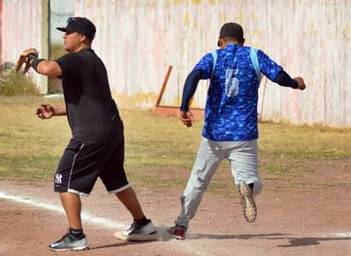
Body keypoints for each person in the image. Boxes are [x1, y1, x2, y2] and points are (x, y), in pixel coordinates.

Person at [22, 17, 157, 251]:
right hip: (111, 130)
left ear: (82, 37)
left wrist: (31, 58)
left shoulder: (79, 59)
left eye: (69, 32)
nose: (64, 36)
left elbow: (48, 69)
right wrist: (55, 110)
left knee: (64, 180)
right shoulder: (92, 62)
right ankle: (142, 224)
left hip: (92, 135)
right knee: (116, 180)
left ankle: (76, 236)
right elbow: (89, 102)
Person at [167, 22, 306, 240]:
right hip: (244, 134)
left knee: (198, 181)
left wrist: (184, 107)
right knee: (252, 180)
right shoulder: (254, 55)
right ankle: (247, 187)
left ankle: (180, 225)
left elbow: (193, 76)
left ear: (220, 42)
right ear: (243, 41)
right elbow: (278, 76)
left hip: (214, 135)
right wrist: (295, 83)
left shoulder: (213, 57)